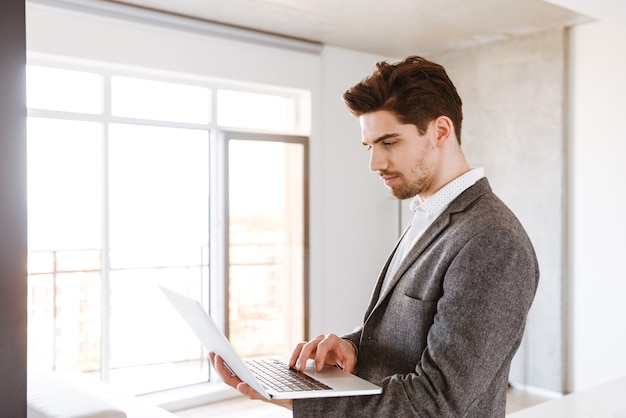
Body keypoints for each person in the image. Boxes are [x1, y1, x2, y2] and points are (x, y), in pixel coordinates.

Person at [210, 55, 539, 417]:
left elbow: (438, 402)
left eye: (389, 142)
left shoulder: (492, 240)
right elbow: (409, 336)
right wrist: (354, 347)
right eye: (370, 146)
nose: (375, 163)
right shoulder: (428, 215)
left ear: (441, 130)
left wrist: (301, 399)